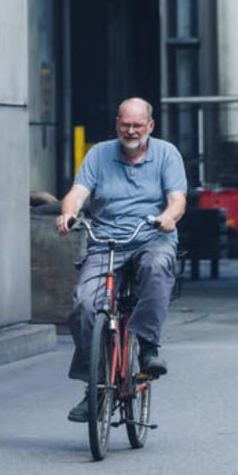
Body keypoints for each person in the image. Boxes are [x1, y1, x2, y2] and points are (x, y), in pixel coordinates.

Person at [55, 98, 186, 423]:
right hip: (106, 240)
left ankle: (147, 345)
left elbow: (177, 200)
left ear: (150, 126)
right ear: (117, 124)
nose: (131, 131)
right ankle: (94, 386)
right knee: (84, 304)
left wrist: (169, 217)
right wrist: (68, 212)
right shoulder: (99, 154)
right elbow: (78, 192)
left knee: (157, 267)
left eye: (137, 125)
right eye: (125, 125)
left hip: (151, 236)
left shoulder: (167, 154)